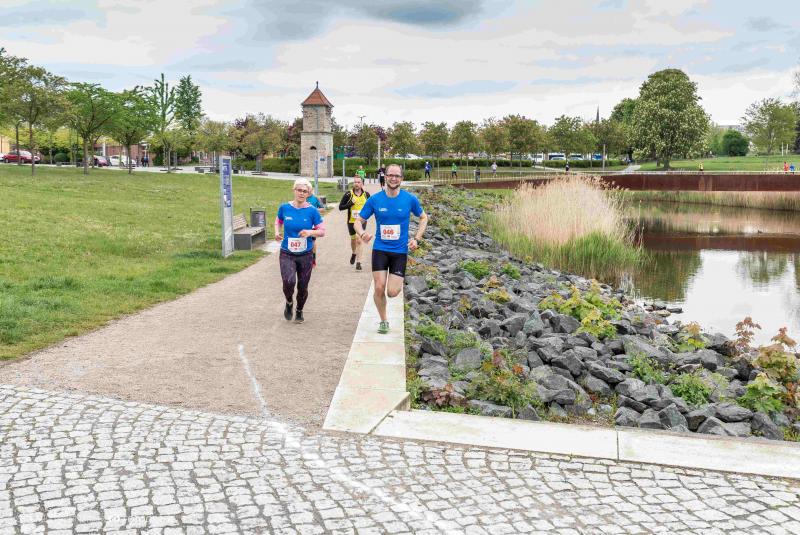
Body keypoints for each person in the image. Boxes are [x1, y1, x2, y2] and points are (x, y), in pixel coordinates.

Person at [355, 164, 428, 334]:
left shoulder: (409, 199)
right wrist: (362, 233)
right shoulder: (375, 200)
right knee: (379, 287)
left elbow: (424, 218)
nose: (394, 178)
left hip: (399, 252)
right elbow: (358, 221)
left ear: (401, 178)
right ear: (385, 177)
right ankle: (384, 321)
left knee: (392, 292)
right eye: (390, 175)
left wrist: (417, 238)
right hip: (380, 249)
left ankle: (396, 284)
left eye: (397, 176)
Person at [274, 178, 326, 324]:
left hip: (306, 254)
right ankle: (289, 302)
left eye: (305, 191)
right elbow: (278, 221)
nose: (302, 193)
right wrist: (277, 232)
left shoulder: (312, 211)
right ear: (294, 190)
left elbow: (322, 231)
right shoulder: (284, 208)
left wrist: (310, 232)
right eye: (299, 190)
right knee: (288, 281)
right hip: (287, 252)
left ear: (308, 193)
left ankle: (299, 310)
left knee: (303, 286)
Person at [338, 175, 370, 271]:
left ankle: (359, 262)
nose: (356, 184)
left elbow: (371, 207)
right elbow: (340, 207)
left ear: (362, 184)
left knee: (359, 239)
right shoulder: (349, 194)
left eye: (358, 182)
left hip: (361, 221)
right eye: (355, 182)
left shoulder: (366, 195)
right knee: (353, 240)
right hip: (351, 221)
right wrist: (350, 203)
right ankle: (354, 253)